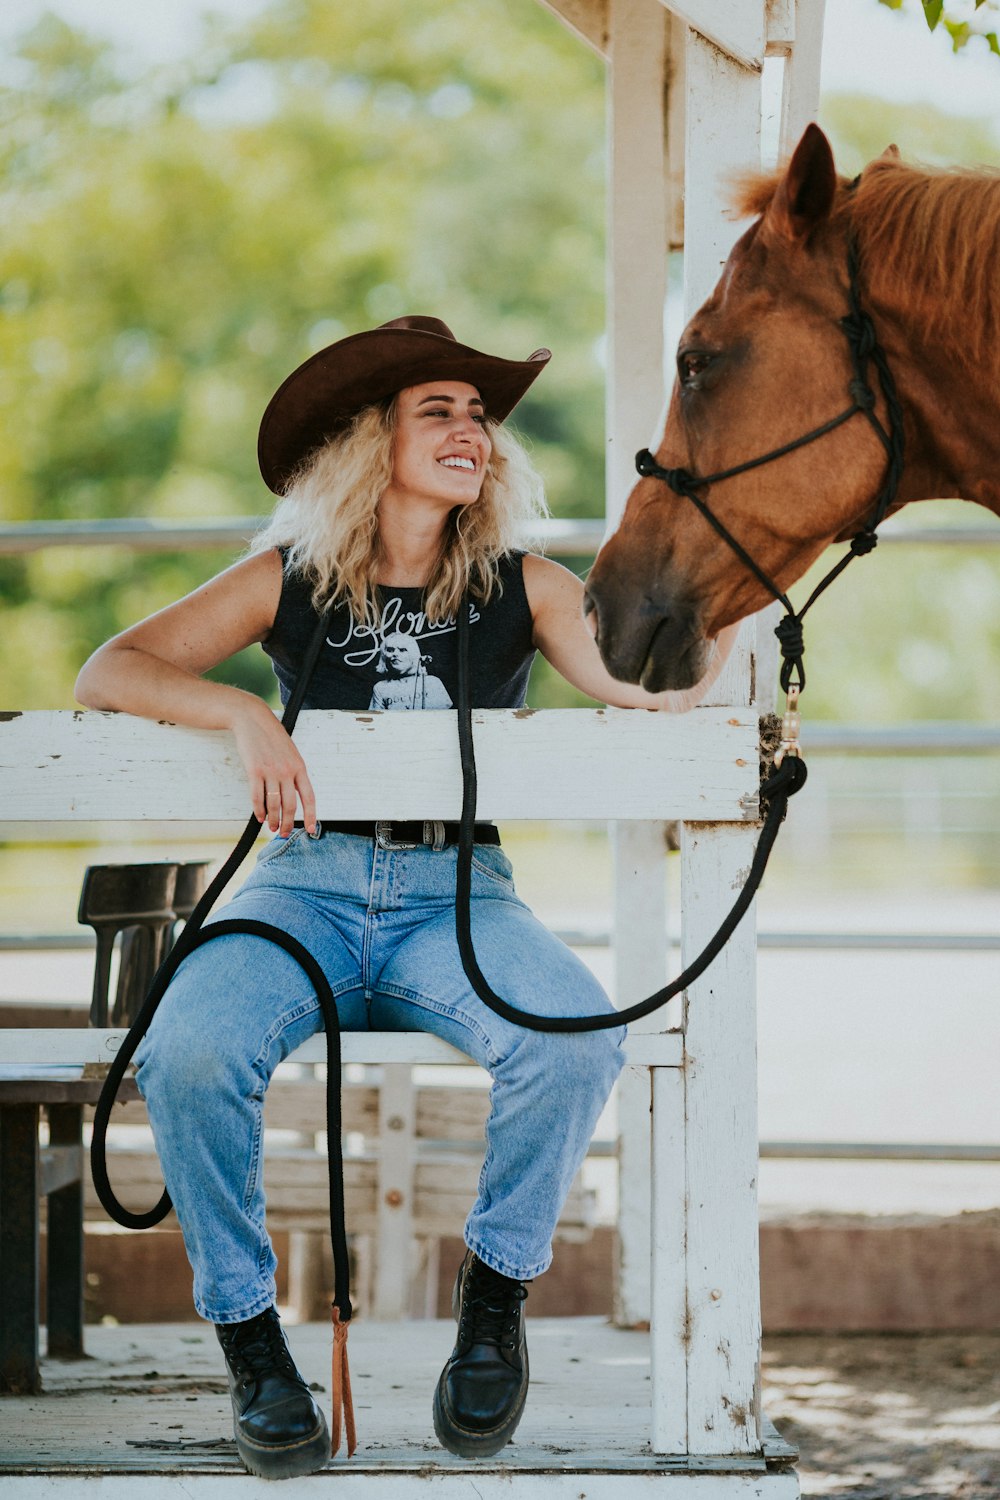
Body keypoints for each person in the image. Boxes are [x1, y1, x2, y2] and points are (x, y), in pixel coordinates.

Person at [75, 315, 736, 1481]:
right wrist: (240, 713)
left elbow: (637, 690)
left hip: (456, 896)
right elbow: (111, 668)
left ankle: (492, 1306)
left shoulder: (521, 585)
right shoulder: (288, 578)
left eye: (479, 415)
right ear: (367, 443)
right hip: (305, 887)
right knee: (187, 1052)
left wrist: (715, 625)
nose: (471, 430)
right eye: (440, 410)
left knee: (575, 1046)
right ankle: (248, 1342)